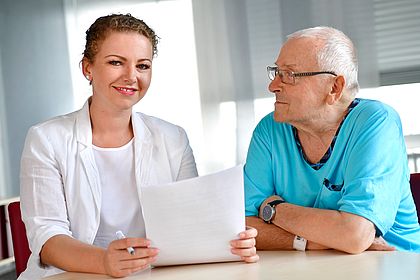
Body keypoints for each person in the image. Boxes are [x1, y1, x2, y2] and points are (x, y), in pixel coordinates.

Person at [20, 14, 258, 280]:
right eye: (115, 62)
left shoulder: (173, 138)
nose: (131, 76)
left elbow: (189, 225)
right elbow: (48, 239)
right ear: (87, 68)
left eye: (142, 66)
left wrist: (231, 244)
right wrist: (105, 262)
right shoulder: (46, 139)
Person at [244, 26, 420, 254]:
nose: (273, 86)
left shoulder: (376, 121)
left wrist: (274, 209)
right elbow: (245, 228)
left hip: (394, 266)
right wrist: (311, 242)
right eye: (276, 72)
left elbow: (354, 235)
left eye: (289, 75)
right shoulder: (269, 130)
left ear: (334, 87)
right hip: (311, 268)